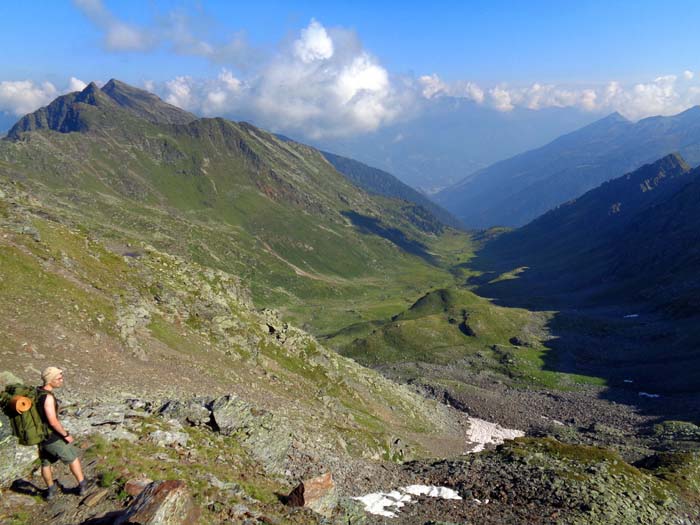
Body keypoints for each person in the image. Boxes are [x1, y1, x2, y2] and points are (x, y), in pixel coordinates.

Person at [38, 367, 86, 499]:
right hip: (52, 437)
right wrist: (65, 435)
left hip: (39, 436)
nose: (61, 380)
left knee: (45, 463)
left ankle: (51, 489)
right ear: (50, 380)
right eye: (58, 378)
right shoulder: (47, 398)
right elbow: (53, 422)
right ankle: (82, 485)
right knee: (73, 458)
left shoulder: (37, 392)